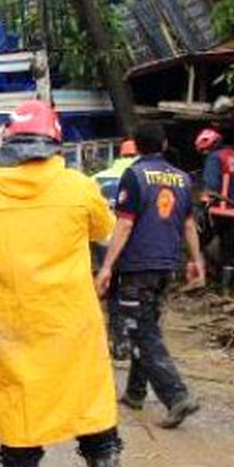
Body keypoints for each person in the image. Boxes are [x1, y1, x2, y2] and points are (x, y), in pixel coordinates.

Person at [0, 99, 122, 467]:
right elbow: (103, 229)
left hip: (13, 324)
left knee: (19, 416)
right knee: (90, 404)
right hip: (72, 322)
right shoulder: (80, 187)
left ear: (7, 143)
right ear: (54, 143)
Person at [96, 121, 206, 430]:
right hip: (166, 266)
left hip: (137, 266)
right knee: (146, 326)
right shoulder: (183, 178)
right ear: (165, 144)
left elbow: (125, 223)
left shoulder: (135, 175)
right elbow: (188, 225)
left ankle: (177, 395)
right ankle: (135, 393)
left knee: (140, 331)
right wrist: (196, 260)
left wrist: (106, 266)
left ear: (137, 147)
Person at [91, 138, 139, 360]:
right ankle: (133, 341)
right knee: (132, 290)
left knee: (111, 289)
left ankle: (118, 342)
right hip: (131, 241)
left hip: (103, 241)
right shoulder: (139, 176)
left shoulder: (96, 179)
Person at [194, 128, 234, 288]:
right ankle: (226, 287)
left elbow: (211, 186)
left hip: (217, 211)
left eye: (204, 151)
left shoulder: (215, 158)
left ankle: (198, 278)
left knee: (195, 242)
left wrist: (201, 207)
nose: (204, 154)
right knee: (228, 249)